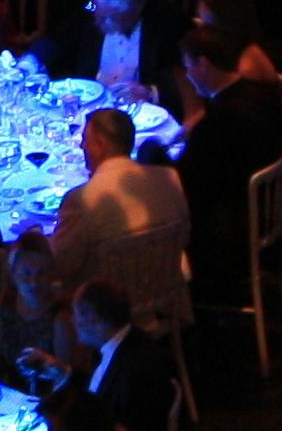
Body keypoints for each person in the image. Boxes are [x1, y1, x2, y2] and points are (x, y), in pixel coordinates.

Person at [47, 104, 189, 322]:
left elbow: (61, 266)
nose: (81, 145)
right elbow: (184, 236)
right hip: (162, 295)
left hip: (105, 314)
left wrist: (41, 238)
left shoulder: (81, 200)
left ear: (101, 145)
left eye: (85, 139)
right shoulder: (169, 177)